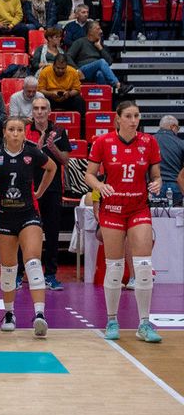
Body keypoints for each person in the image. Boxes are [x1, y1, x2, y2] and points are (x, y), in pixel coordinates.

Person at [85, 100, 163, 343]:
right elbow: (89, 175)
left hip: (138, 208)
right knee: (115, 267)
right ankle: (112, 320)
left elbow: (156, 175)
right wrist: (99, 186)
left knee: (143, 266)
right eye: (128, 116)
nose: (133, 120)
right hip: (112, 209)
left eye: (136, 116)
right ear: (118, 118)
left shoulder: (149, 142)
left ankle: (144, 324)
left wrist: (157, 183)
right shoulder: (103, 142)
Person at [0, 117, 57, 337]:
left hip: (28, 214)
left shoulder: (32, 152)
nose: (15, 133)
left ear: (24, 133)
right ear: (4, 132)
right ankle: (9, 313)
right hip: (4, 216)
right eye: (11, 129)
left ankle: (39, 314)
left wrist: (39, 192)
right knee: (8, 268)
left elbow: (52, 168)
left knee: (33, 262)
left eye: (19, 130)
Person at [25, 97, 71, 290]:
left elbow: (65, 160)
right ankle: (21, 274)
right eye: (36, 108)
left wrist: (53, 148)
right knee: (25, 232)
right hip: (28, 188)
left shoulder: (59, 132)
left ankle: (50, 275)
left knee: (52, 233)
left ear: (49, 111)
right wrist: (35, 151)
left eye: (43, 108)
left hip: (52, 189)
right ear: (32, 111)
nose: (40, 112)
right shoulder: (24, 130)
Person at [67, 21, 132, 95]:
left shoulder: (100, 45)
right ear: (90, 32)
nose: (101, 31)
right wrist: (76, 70)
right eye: (98, 29)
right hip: (83, 71)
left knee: (100, 73)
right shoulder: (80, 42)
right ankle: (118, 85)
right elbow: (68, 56)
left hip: (94, 72)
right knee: (101, 62)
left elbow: (109, 62)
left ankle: (101, 98)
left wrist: (100, 48)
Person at [154, 115, 184, 205]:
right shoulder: (181, 143)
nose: (177, 131)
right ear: (173, 126)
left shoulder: (149, 141)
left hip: (155, 187)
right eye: (178, 128)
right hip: (176, 187)